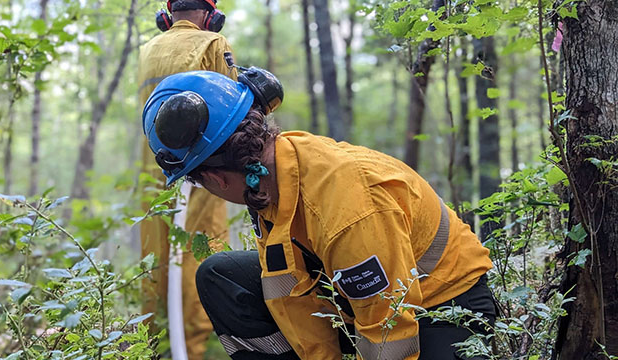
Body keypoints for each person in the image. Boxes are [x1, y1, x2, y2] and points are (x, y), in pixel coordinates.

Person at [141, 69, 496, 360]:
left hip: (445, 306)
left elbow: (390, 332)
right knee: (221, 276)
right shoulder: (271, 181)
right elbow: (291, 299)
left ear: (216, 178)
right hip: (357, 302)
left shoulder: (345, 209)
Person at [136, 0, 236, 357]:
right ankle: (191, 350)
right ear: (211, 15)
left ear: (168, 15)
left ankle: (149, 348)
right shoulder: (213, 43)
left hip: (152, 172)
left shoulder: (146, 50)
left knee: (155, 259)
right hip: (201, 168)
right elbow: (232, 114)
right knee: (199, 254)